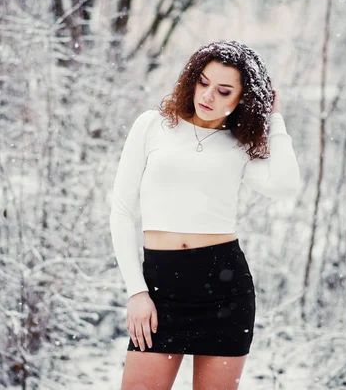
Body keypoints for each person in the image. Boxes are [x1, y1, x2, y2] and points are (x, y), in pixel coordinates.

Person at [109, 40, 300, 390]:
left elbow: (285, 185)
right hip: (160, 288)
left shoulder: (240, 144)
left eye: (224, 90)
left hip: (225, 290)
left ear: (242, 98)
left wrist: (276, 119)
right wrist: (137, 292)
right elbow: (121, 211)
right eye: (203, 82)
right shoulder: (153, 125)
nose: (208, 95)